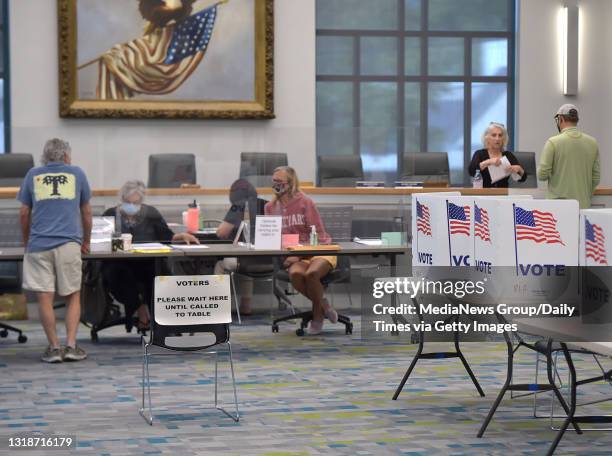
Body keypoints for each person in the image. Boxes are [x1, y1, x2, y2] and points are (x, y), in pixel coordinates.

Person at [18, 138, 92, 363]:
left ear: (45, 156)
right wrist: (86, 241)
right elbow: (87, 213)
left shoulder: (33, 174)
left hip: (39, 244)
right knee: (72, 295)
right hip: (69, 244)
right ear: (67, 157)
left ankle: (53, 348)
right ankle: (70, 346)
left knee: (44, 296)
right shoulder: (77, 174)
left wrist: (27, 240)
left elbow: (23, 213)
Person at [102, 180, 198, 331]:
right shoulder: (110, 215)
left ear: (141, 201)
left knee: (158, 273)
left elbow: (167, 236)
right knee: (120, 274)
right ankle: (140, 309)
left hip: (146, 262)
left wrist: (182, 236)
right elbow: (100, 241)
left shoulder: (151, 213)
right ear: (122, 200)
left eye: (136, 202)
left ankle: (162, 320)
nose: (132, 206)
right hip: (118, 262)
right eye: (128, 202)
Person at [264, 166, 337, 335]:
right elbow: (273, 237)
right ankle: (324, 304)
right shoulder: (270, 207)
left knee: (312, 274)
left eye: (280, 182)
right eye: (274, 181)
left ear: (291, 183)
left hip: (319, 249)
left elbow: (318, 234)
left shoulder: (305, 202)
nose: (276, 185)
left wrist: (297, 256)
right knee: (296, 275)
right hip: (293, 255)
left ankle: (317, 317)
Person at [214, 179, 267, 316]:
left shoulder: (238, 206)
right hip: (269, 260)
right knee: (245, 263)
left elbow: (221, 232)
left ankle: (218, 307)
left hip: (245, 259)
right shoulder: (266, 204)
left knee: (222, 264)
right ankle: (246, 306)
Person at [538, 104, 600, 209]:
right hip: (583, 206)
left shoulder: (553, 142)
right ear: (576, 120)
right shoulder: (592, 143)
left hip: (557, 207)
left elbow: (542, 175)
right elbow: (596, 178)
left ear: (560, 119)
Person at [468, 122, 527, 188]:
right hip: (484, 194)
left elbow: (522, 179)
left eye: (500, 135)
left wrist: (520, 170)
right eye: (494, 135)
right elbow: (471, 171)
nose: (497, 138)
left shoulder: (508, 155)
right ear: (487, 138)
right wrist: (488, 162)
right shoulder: (480, 154)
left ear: (503, 139)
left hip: (503, 194)